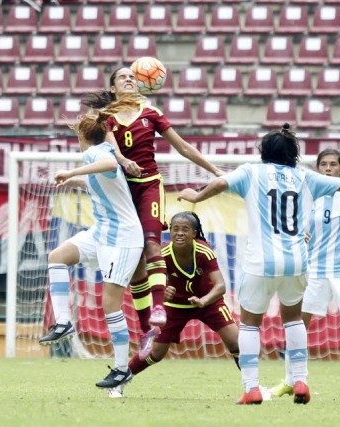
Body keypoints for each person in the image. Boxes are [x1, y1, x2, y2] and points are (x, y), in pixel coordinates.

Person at [178, 123, 340, 405]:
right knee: (293, 319)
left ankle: (251, 387)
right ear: (294, 154)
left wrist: (197, 196)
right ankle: (300, 381)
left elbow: (219, 183)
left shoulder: (251, 171)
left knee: (251, 325)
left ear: (264, 151)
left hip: (261, 261)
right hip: (297, 261)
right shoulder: (304, 176)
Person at [83, 67, 224, 340]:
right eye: (122, 77)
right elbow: (112, 148)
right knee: (135, 261)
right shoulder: (106, 117)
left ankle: (158, 307)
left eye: (132, 77)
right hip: (122, 192)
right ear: (112, 88)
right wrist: (124, 162)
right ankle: (146, 328)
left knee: (151, 243)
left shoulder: (152, 114)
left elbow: (183, 147)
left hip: (148, 186)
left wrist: (215, 171)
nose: (128, 79)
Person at [46, 96, 146, 390]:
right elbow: (103, 177)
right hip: (102, 231)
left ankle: (120, 369)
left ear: (81, 135)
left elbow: (108, 164)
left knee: (110, 303)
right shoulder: (97, 154)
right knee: (58, 256)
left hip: (123, 238)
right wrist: (75, 182)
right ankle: (63, 322)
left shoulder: (98, 154)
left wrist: (71, 172)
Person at [270, 149, 340, 400]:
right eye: (324, 165)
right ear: (318, 169)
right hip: (312, 270)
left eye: (333, 165)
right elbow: (290, 224)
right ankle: (290, 381)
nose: (328, 168)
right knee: (299, 325)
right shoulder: (306, 194)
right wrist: (298, 234)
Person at [111, 211, 240, 398]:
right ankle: (119, 382)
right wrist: (164, 291)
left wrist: (204, 301)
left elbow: (220, 286)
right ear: (169, 232)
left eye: (185, 229)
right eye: (175, 229)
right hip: (175, 307)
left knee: (236, 342)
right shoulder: (162, 253)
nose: (179, 233)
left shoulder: (203, 251)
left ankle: (253, 387)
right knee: (155, 353)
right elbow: (147, 284)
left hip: (208, 303)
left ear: (194, 233)